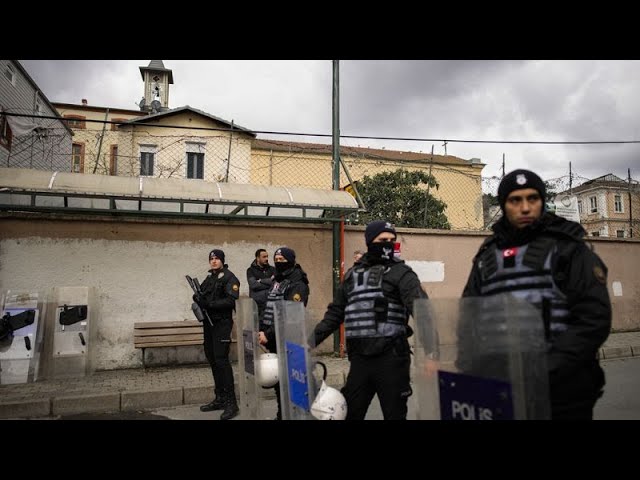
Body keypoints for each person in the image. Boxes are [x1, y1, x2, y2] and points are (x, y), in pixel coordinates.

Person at [462, 169, 611, 420]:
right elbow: (468, 317)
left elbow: (593, 319)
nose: (525, 208)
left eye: (532, 199)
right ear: (503, 205)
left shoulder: (567, 247)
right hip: (501, 389)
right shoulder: (487, 255)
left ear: (542, 201)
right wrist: (471, 368)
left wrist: (545, 369)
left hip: (561, 392)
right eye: (515, 200)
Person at [311, 220, 428, 420]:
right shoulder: (352, 276)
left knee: (395, 415)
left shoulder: (403, 274)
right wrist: (308, 342)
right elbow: (334, 314)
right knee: (350, 413)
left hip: (392, 359)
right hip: (360, 360)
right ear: (369, 241)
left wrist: (432, 354)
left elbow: (424, 313)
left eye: (392, 240)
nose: (388, 244)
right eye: (383, 239)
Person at [258, 247, 310, 420]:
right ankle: (282, 414)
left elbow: (290, 315)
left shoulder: (298, 283)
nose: (278, 262)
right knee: (280, 383)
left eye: (282, 259)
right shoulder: (278, 280)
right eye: (276, 259)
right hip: (274, 338)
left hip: (289, 340)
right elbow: (270, 307)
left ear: (291, 260)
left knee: (289, 383)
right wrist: (263, 331)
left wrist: (269, 334)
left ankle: (292, 415)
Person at [192, 248, 241, 420]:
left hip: (222, 324)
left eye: (217, 259)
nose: (213, 261)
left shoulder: (230, 277)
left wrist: (209, 304)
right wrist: (198, 298)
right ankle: (220, 398)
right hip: (209, 325)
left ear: (222, 260)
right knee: (212, 359)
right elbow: (203, 295)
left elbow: (230, 300)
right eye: (211, 259)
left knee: (221, 361)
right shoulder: (209, 278)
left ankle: (231, 403)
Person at [246, 249, 276, 318]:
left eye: (267, 256)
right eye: (264, 257)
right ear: (258, 258)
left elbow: (275, 284)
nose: (266, 259)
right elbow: (254, 285)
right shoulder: (250, 270)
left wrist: (261, 280)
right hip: (257, 305)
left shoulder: (272, 269)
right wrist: (269, 281)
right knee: (257, 326)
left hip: (270, 303)